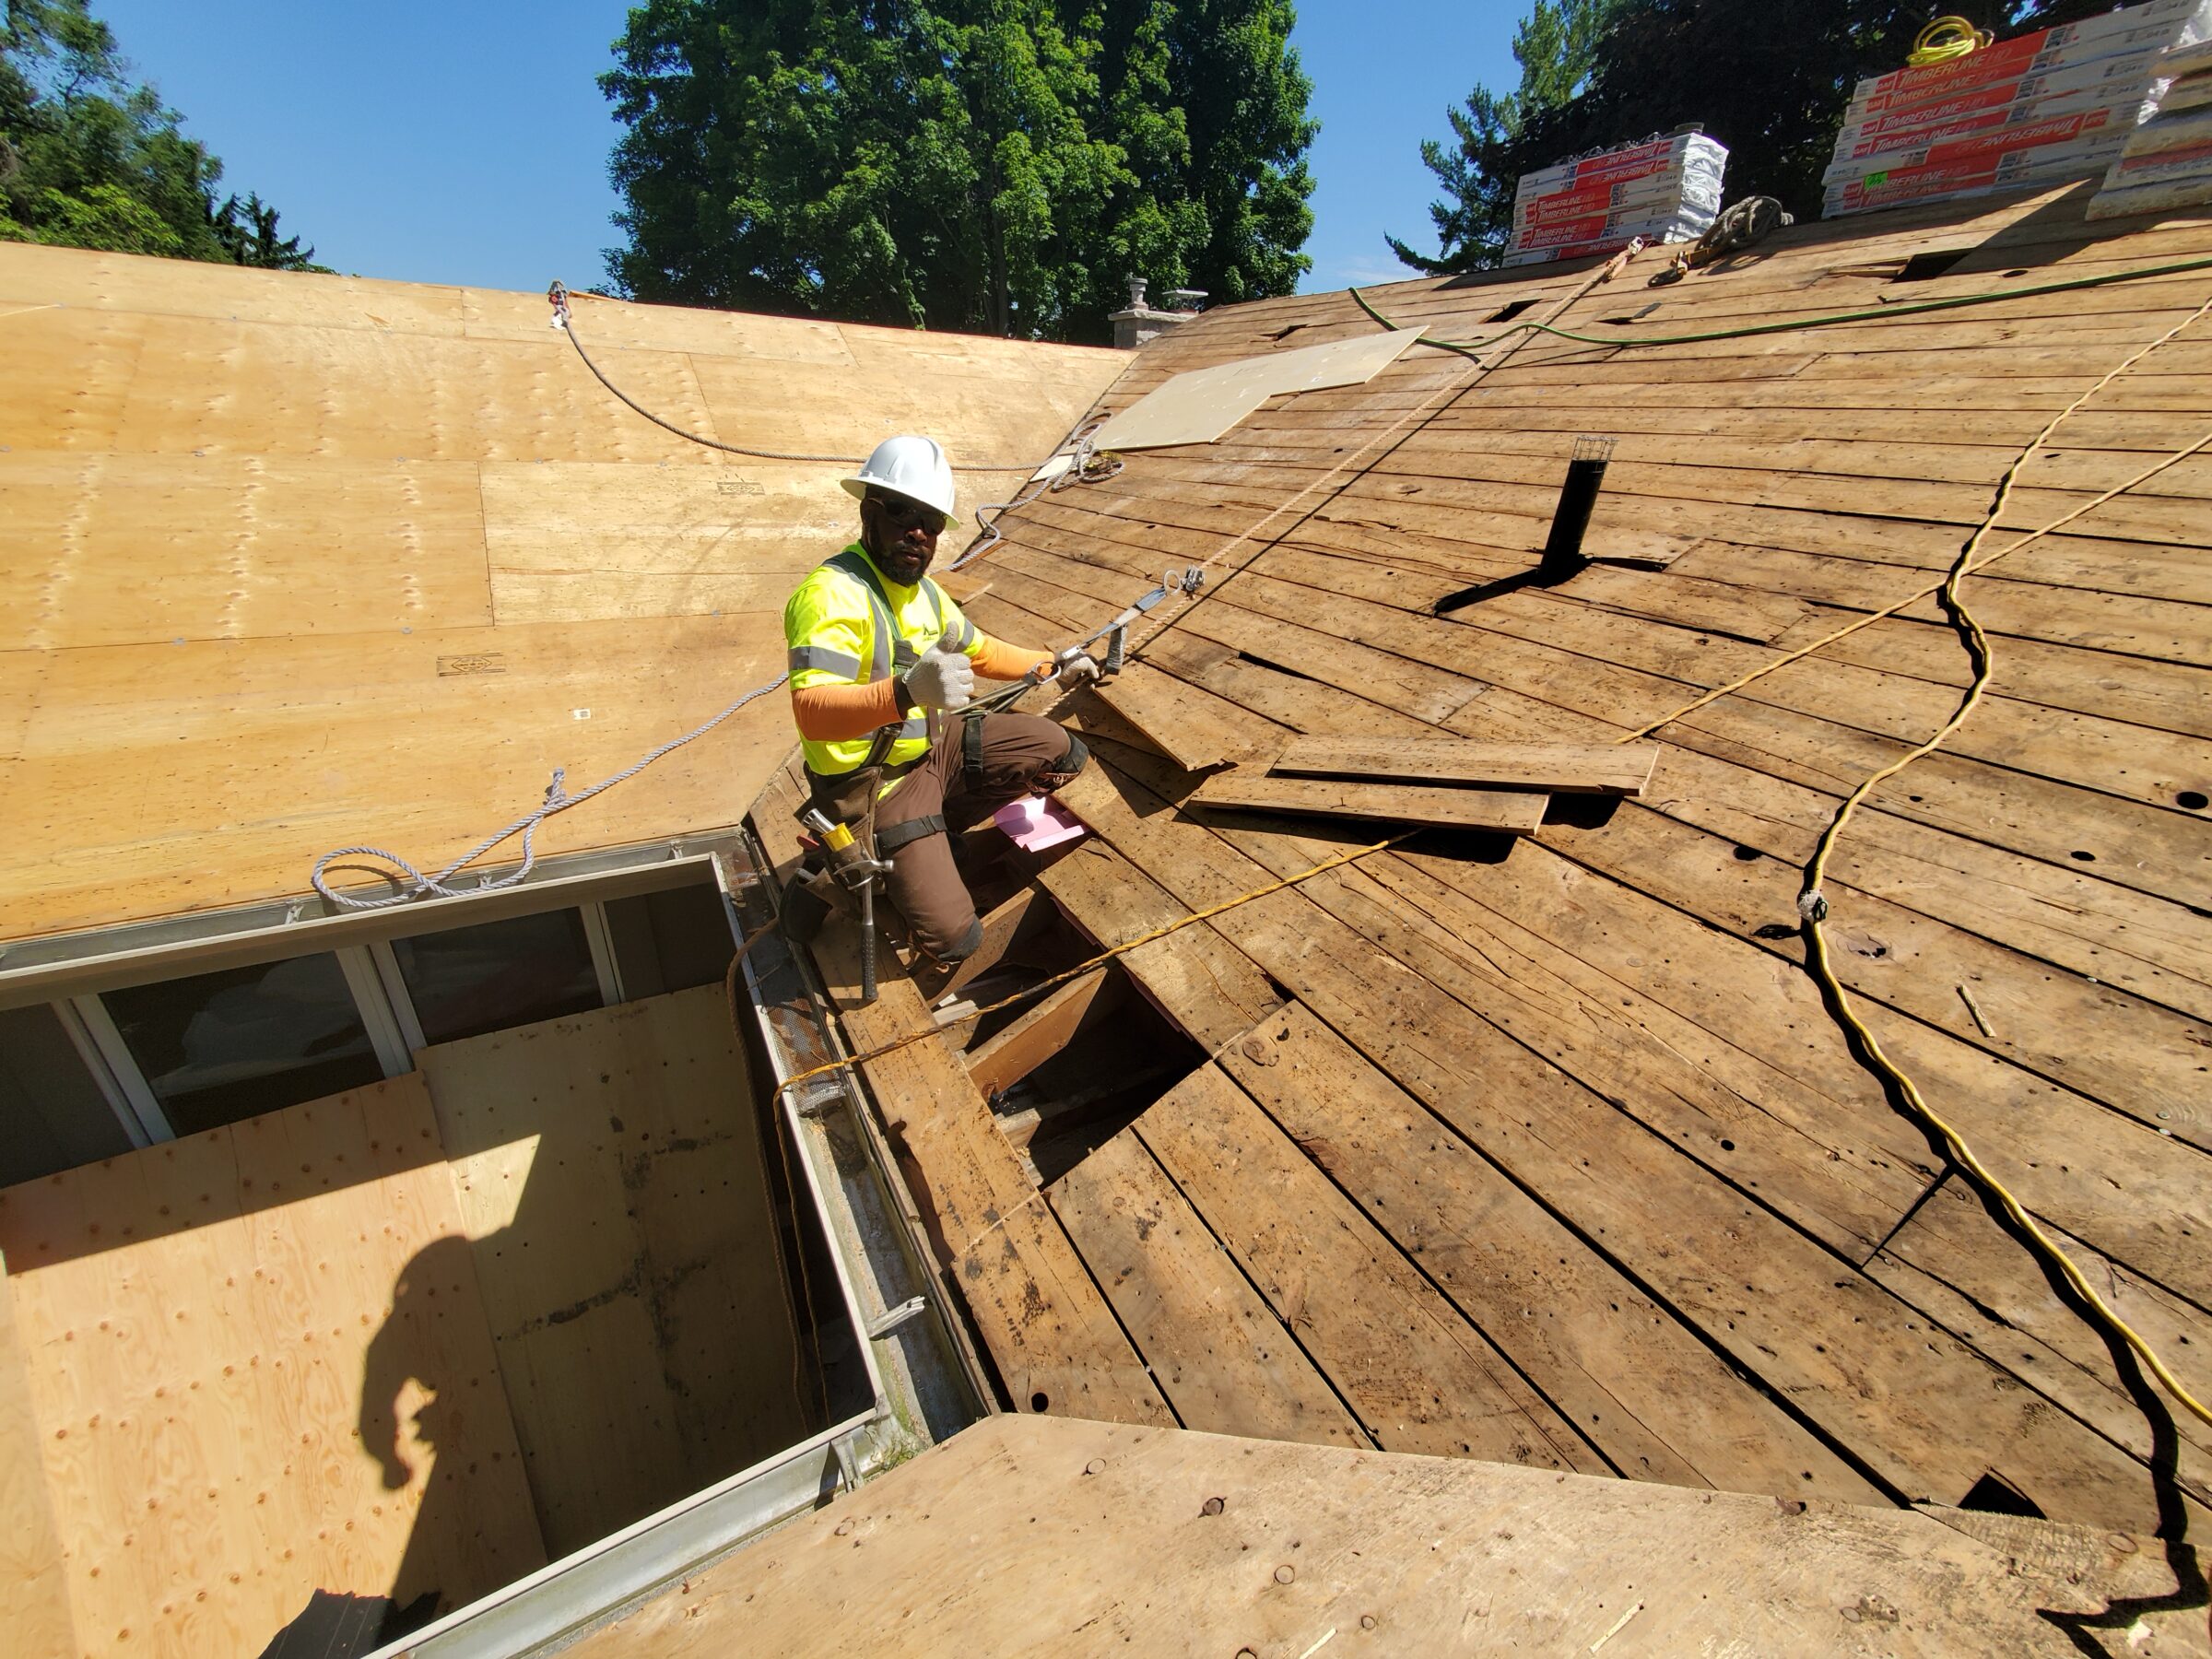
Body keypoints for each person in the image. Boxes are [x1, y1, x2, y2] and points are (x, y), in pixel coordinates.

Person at [782, 435, 1099, 963]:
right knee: (955, 941)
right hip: (873, 785)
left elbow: (981, 651)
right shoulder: (832, 595)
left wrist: (1054, 663)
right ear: (868, 511)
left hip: (934, 748)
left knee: (1062, 752)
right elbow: (812, 713)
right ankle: (846, 869)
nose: (917, 532)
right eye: (902, 512)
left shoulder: (926, 593)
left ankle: (932, 830)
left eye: (930, 523)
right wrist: (905, 693)